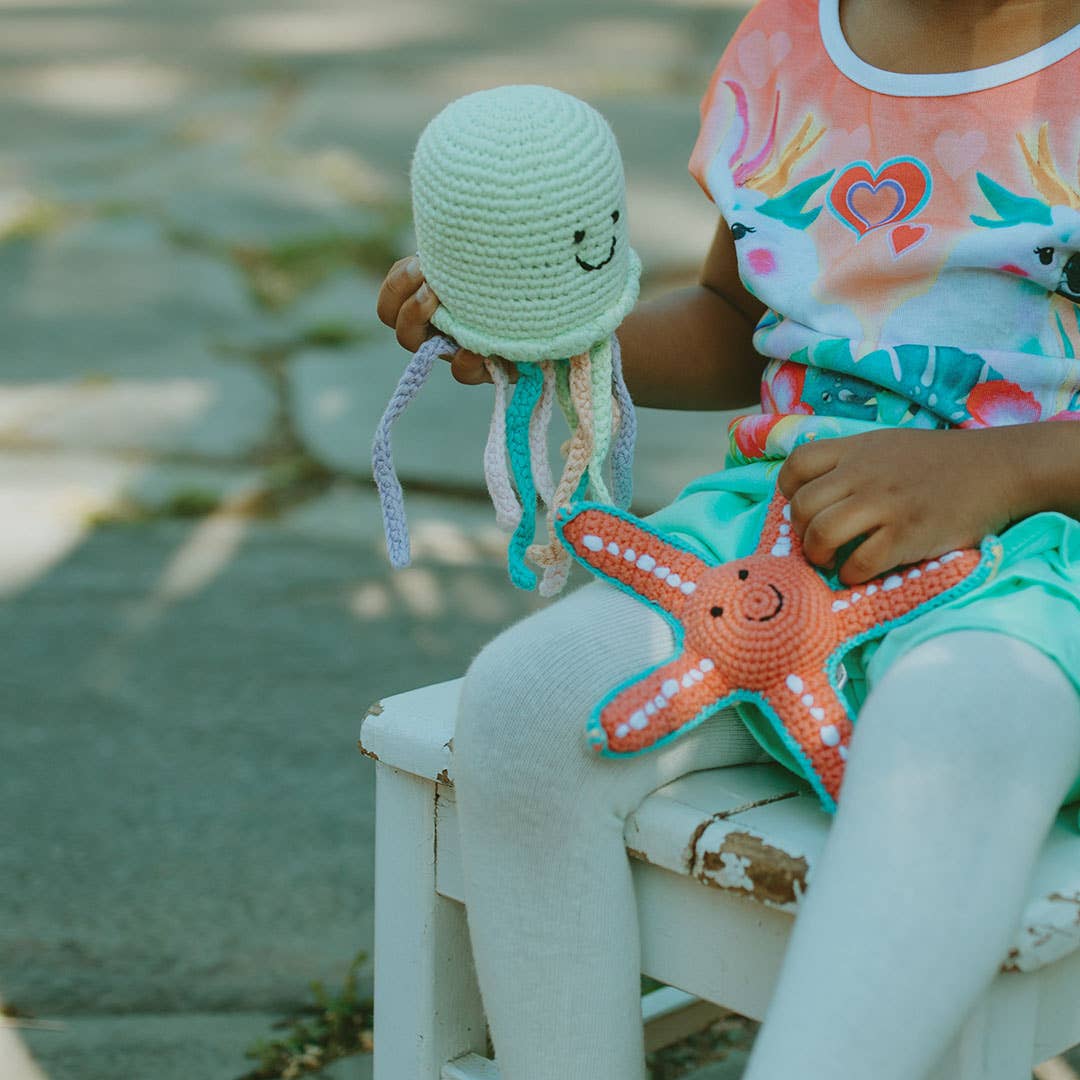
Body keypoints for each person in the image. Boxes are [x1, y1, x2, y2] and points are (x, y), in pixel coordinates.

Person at [375, 0, 1080, 1076]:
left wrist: (1005, 468)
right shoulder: (793, 39)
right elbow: (732, 318)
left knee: (956, 725)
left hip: (1045, 557)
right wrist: (548, 337)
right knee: (525, 705)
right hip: (774, 536)